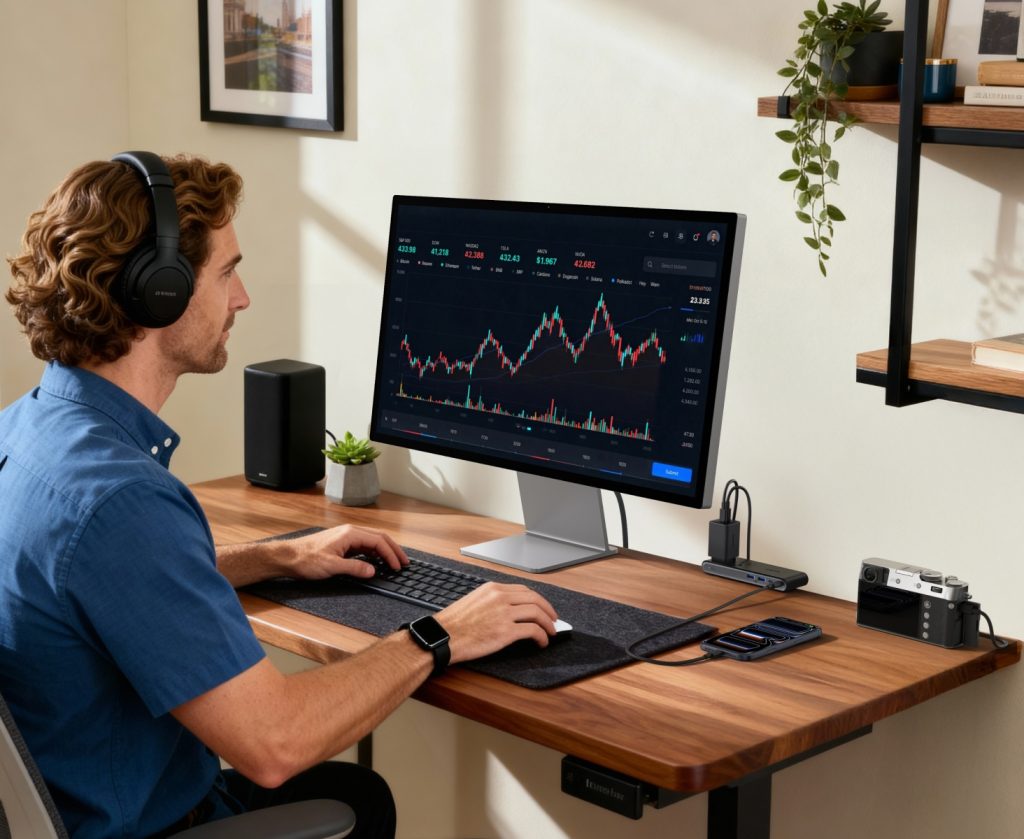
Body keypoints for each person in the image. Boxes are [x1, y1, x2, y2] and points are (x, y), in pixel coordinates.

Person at [0, 153, 562, 839]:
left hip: (79, 798)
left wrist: (276, 557)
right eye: (226, 272)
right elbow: (275, 745)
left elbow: (98, 584)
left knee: (355, 793)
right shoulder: (123, 501)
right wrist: (441, 633)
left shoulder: (25, 435)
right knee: (352, 801)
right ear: (159, 291)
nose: (241, 299)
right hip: (149, 823)